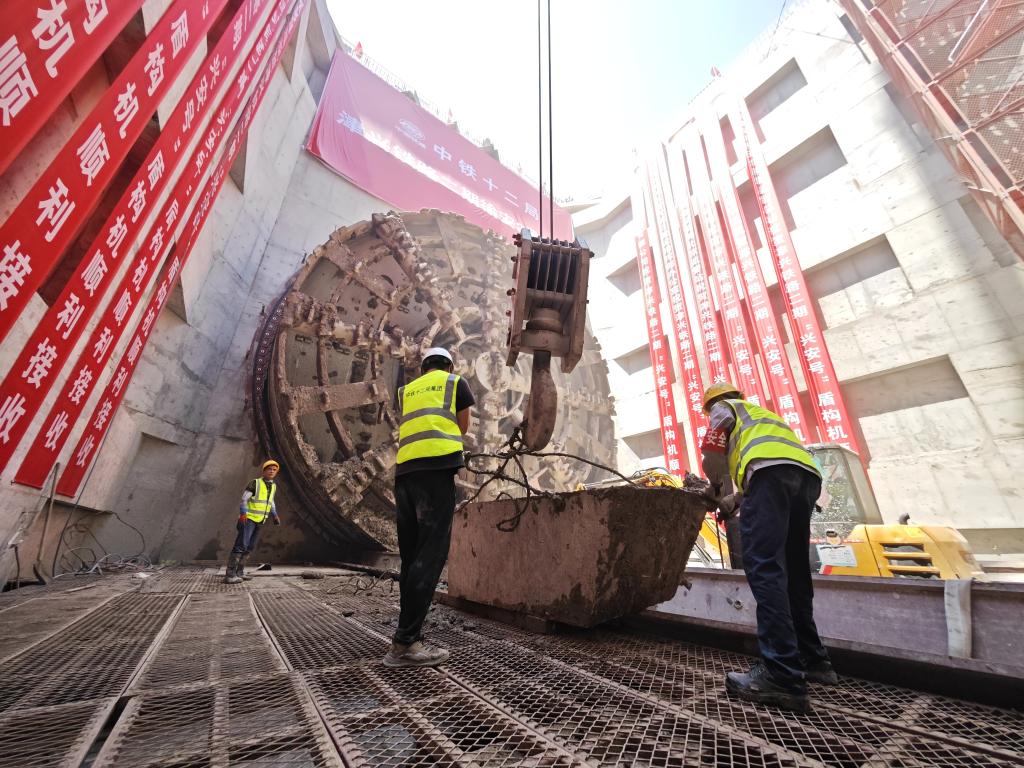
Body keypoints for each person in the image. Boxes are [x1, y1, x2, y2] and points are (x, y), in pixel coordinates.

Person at [699, 382, 837, 712]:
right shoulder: (763, 415)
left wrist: (716, 487)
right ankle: (814, 660)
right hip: (805, 480)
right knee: (794, 572)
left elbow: (712, 453)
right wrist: (736, 499)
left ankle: (782, 674)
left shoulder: (723, 409)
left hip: (770, 477)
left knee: (764, 568)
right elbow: (772, 463)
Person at [383, 347, 474, 668]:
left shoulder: (406, 391)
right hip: (435, 473)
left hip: (405, 473)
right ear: (449, 364)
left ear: (423, 368)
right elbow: (462, 428)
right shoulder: (455, 382)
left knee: (410, 557)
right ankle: (405, 643)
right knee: (431, 554)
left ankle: (405, 635)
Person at [223, 459, 282, 584]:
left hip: (260, 520)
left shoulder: (273, 486)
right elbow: (244, 499)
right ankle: (230, 575)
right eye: (269, 469)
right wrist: (243, 514)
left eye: (274, 470)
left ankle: (239, 573)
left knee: (249, 547)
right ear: (264, 471)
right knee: (241, 545)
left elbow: (271, 502)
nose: (271, 471)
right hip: (248, 519)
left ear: (276, 472)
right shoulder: (255, 483)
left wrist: (275, 515)